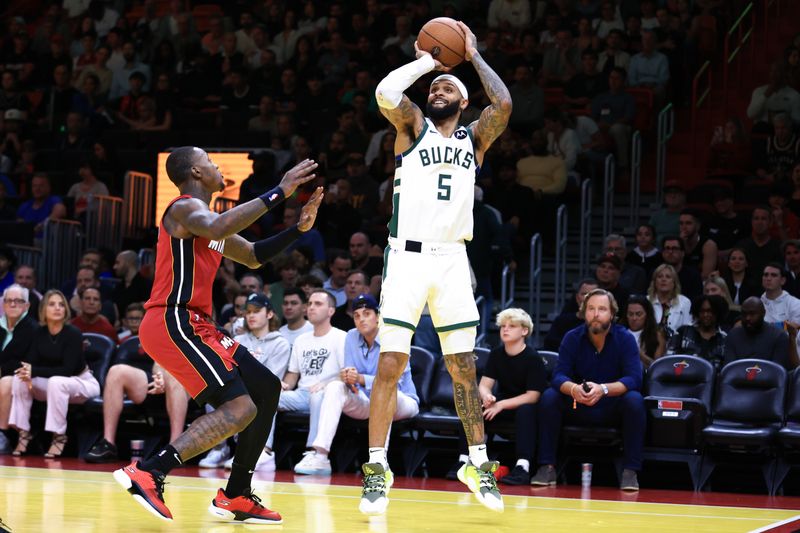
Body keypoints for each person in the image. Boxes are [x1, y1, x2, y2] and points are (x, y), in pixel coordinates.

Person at [113, 146, 322, 524]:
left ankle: (237, 493)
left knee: (266, 388)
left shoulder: (207, 222)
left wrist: (297, 230)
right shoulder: (183, 209)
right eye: (210, 161)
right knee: (240, 408)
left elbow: (254, 255)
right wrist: (280, 191)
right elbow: (218, 227)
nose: (217, 166)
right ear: (195, 171)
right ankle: (150, 470)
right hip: (172, 319)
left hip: (197, 323)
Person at [366, 20, 512, 515]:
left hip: (452, 260)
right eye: (434, 86)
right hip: (406, 256)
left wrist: (470, 56)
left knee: (463, 368)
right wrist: (430, 60)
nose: (437, 88)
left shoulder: (475, 139)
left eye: (447, 85)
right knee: (391, 363)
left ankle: (476, 462)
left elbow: (505, 105)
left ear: (464, 100)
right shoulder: (411, 126)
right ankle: (376, 468)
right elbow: (387, 90)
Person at [530, 289, 645, 491]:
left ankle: (630, 471)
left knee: (635, 400)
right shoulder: (571, 337)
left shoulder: (625, 338)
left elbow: (634, 378)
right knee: (550, 397)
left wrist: (603, 389)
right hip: (578, 403)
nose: (596, 314)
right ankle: (546, 467)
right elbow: (558, 376)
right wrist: (573, 389)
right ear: (584, 312)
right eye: (591, 309)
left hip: (611, 406)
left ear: (612, 314)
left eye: (602, 309)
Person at [294, 294, 419, 476]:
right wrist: (347, 377)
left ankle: (379, 462)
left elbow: (394, 383)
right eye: (357, 315)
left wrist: (360, 378)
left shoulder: (393, 338)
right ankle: (320, 455)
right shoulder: (351, 337)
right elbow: (350, 374)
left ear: (378, 316)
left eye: (367, 314)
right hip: (366, 401)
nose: (361, 319)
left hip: (402, 401)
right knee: (334, 387)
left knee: (386, 394)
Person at [200, 293, 291, 471]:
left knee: (265, 397)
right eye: (248, 312)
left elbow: (272, 378)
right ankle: (219, 449)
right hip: (238, 386)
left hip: (259, 389)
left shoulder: (280, 343)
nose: (251, 315)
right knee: (212, 394)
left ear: (269, 314)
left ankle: (262, 451)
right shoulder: (237, 341)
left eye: (256, 311)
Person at [9, 290, 101, 457]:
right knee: (19, 379)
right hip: (53, 385)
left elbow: (67, 371)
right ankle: (23, 433)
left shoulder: (73, 333)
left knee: (56, 381)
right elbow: (30, 362)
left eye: (61, 304)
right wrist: (26, 371)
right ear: (43, 309)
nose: (57, 308)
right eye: (52, 304)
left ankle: (59, 436)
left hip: (82, 383)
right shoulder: (38, 333)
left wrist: (34, 371)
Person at [468, 308, 546, 486]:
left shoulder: (533, 358)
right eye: (503, 326)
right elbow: (484, 385)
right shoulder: (496, 354)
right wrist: (487, 397)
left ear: (524, 331)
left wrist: (501, 404)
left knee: (526, 411)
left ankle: (523, 466)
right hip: (502, 403)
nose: (505, 329)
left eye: (512, 326)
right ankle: (467, 460)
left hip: (526, 406)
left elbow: (533, 396)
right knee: (475, 407)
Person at [85, 340, 187, 463]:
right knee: (117, 371)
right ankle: (108, 444)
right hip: (162, 381)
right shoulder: (172, 331)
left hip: (190, 383)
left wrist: (169, 377)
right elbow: (158, 363)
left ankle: (175, 449)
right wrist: (159, 377)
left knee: (175, 378)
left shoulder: (207, 337)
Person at [278, 289, 347, 472]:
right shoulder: (301, 340)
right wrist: (283, 386)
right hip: (301, 394)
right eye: (309, 304)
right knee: (268, 398)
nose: (311, 307)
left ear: (331, 311)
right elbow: (293, 374)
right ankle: (263, 452)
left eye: (318, 304)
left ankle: (315, 453)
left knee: (318, 395)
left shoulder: (341, 337)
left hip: (326, 394)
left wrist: (325, 383)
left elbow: (346, 374)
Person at [0, 284, 37, 453]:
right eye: (8, 301)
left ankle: (3, 435)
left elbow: (27, 362)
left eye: (18, 301)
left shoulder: (34, 329)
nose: (13, 305)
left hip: (20, 378)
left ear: (27, 305)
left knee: (6, 382)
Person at [723, 297, 794, 369]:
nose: (747, 318)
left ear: (763, 313)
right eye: (744, 314)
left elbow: (778, 371)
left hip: (769, 378)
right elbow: (730, 368)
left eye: (752, 314)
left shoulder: (779, 336)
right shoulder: (733, 335)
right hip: (738, 378)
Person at [667, 295, 728, 368]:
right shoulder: (683, 332)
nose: (705, 315)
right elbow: (669, 359)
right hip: (684, 376)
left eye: (710, 311)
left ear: (718, 313)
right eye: (702, 311)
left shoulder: (724, 339)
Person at [544, 279, 599, 352]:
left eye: (592, 294)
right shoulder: (561, 321)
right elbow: (549, 347)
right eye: (584, 294)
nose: (587, 298)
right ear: (577, 298)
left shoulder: (605, 324)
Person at [647, 263, 693, 337]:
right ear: (654, 282)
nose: (663, 279)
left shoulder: (684, 302)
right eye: (659, 276)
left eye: (668, 277)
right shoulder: (646, 301)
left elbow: (688, 329)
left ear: (674, 282)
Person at [620, 295, 665, 368]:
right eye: (630, 314)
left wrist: (638, 353)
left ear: (647, 315)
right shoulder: (618, 333)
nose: (634, 318)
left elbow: (657, 367)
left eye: (638, 314)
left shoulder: (657, 336)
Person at [111, 250, 152, 323]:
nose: (114, 267)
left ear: (128, 263)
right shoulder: (118, 287)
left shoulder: (147, 286)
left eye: (118, 263)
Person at [760, 263, 800, 329]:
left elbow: (795, 326)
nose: (768, 278)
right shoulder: (756, 304)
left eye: (773, 275)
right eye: (766, 275)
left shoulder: (795, 304)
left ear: (782, 280)